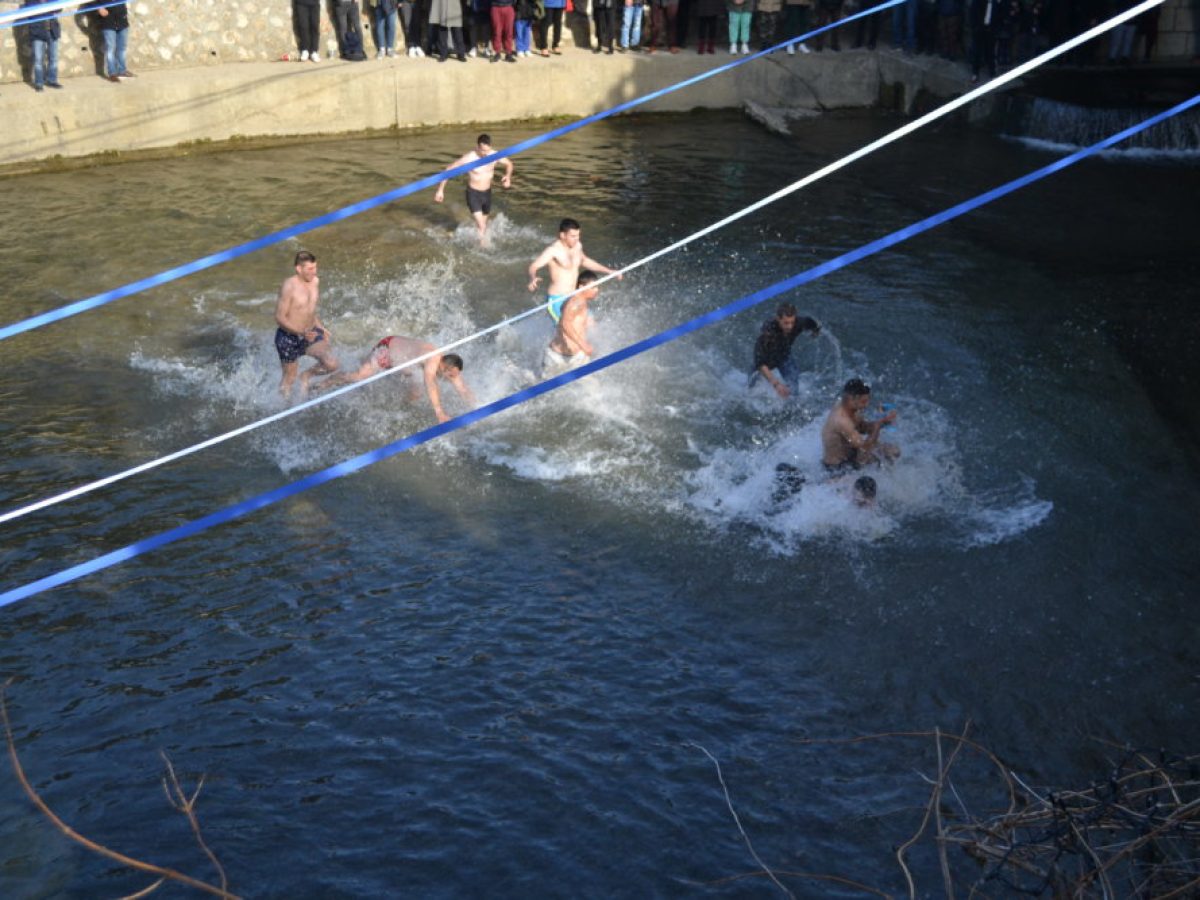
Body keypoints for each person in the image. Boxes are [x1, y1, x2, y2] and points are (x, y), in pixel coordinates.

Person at [314, 335, 474, 423]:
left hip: (402, 358)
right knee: (360, 377)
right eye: (451, 375)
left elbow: (462, 387)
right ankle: (327, 381)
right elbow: (430, 383)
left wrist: (476, 406)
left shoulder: (447, 367)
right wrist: (440, 412)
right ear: (443, 366)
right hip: (388, 350)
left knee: (416, 392)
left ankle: (396, 410)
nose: (453, 379)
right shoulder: (433, 360)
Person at [274, 250, 340, 400]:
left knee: (332, 363)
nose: (314, 272)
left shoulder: (315, 281)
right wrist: (300, 332)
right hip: (288, 337)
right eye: (310, 269)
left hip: (310, 334)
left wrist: (320, 326)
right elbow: (279, 317)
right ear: (299, 268)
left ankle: (305, 376)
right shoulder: (288, 286)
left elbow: (308, 309)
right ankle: (284, 409)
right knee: (289, 378)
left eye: (315, 267)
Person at [528, 218, 621, 323]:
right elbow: (534, 266)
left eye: (578, 235)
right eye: (573, 236)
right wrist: (532, 278)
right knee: (565, 331)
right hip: (557, 300)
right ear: (563, 235)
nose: (577, 239)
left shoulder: (577, 246)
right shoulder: (552, 251)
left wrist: (609, 271)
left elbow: (585, 261)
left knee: (589, 321)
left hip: (574, 296)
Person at [433, 134, 514, 244]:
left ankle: (476, 242)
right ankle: (483, 249)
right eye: (482, 151)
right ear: (477, 147)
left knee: (483, 225)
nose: (485, 154)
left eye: (487, 150)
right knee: (482, 225)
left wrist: (508, 176)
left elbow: (509, 164)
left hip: (487, 193)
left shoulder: (493, 155)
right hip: (473, 194)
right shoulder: (470, 158)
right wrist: (440, 190)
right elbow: (449, 169)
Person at [820, 377, 900, 473]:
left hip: (852, 454)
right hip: (838, 468)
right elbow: (865, 448)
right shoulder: (842, 420)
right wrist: (877, 427)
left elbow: (863, 427)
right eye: (864, 401)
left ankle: (886, 474)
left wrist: (883, 421)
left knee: (894, 451)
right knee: (879, 457)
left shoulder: (852, 410)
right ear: (852, 399)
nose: (866, 405)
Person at [750, 302, 820, 399]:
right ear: (778, 319)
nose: (790, 326)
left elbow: (812, 323)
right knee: (751, 391)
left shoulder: (799, 322)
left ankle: (791, 406)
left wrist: (815, 331)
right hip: (766, 360)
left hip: (784, 357)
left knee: (794, 389)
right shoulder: (767, 335)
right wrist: (776, 384)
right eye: (786, 323)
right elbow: (761, 364)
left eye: (792, 322)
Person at [542, 271, 600, 378]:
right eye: (593, 287)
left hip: (577, 357)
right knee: (544, 390)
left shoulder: (579, 301)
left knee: (593, 391)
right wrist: (583, 345)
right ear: (582, 286)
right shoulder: (576, 302)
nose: (597, 290)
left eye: (597, 287)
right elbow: (565, 324)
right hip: (556, 358)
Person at [87, 0, 133, 81]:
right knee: (110, 49)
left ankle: (122, 71)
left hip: (122, 21)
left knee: (122, 48)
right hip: (108, 22)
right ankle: (112, 74)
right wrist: (99, 8)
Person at [24, 0, 63, 92]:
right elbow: (31, 12)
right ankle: (39, 83)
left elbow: (59, 8)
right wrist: (47, 8)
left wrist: (48, 8)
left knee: (53, 57)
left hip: (52, 30)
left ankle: (51, 80)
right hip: (37, 32)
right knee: (38, 59)